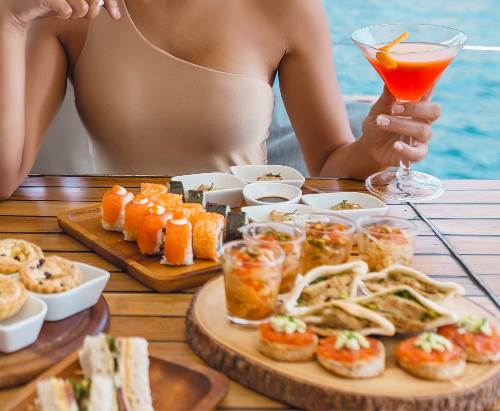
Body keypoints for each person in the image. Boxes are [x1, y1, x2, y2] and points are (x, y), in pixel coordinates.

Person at [0, 0, 441, 199]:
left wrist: (373, 149)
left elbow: (328, 168)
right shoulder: (75, 13)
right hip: (123, 253)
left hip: (250, 257)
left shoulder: (288, 8)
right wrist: (10, 18)